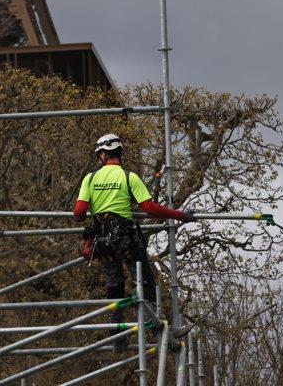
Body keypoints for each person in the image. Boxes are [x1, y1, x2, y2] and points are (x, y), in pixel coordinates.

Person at [73, 133, 194, 347]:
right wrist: (180, 215)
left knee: (114, 283)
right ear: (118, 153)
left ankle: (117, 333)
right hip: (126, 239)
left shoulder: (90, 179)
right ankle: (157, 326)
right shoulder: (129, 177)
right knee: (144, 280)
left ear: (103, 154)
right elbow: (148, 208)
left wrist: (96, 207)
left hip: (103, 241)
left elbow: (79, 213)